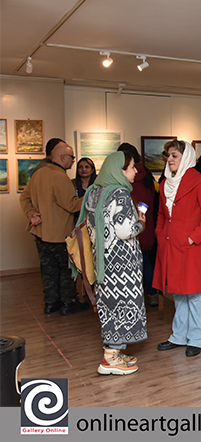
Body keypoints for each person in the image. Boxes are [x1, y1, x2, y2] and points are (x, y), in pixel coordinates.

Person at [78, 151, 147, 375]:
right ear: (119, 171)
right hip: (123, 264)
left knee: (109, 305)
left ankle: (114, 353)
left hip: (103, 261)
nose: (135, 171)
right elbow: (126, 231)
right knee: (125, 305)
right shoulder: (120, 194)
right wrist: (141, 223)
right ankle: (110, 359)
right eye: (131, 167)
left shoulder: (93, 192)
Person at [154, 140, 201, 357]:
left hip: (191, 247)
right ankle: (179, 336)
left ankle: (197, 339)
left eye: (174, 156)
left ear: (186, 158)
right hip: (170, 245)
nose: (170, 160)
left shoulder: (200, 182)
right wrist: (160, 234)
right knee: (178, 293)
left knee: (194, 294)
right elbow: (162, 215)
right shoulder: (164, 184)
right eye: (168, 156)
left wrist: (193, 238)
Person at [20, 141, 89, 316]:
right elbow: (72, 205)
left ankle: (51, 304)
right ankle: (69, 303)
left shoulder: (38, 173)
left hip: (39, 232)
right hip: (58, 235)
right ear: (62, 157)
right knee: (67, 270)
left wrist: (31, 214)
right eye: (72, 157)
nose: (73, 161)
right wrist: (91, 196)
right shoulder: (59, 176)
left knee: (49, 270)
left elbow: (24, 198)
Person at [118, 142, 159, 307]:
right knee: (146, 261)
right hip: (147, 226)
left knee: (130, 267)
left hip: (130, 228)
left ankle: (134, 300)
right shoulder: (147, 174)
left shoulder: (123, 177)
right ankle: (153, 295)